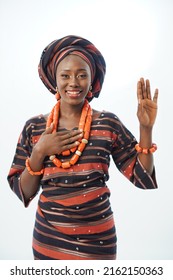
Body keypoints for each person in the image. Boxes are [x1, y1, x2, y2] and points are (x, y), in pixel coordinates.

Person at [7, 35, 158, 260]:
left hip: (98, 239)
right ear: (54, 80)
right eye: (65, 75)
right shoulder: (35, 127)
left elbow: (142, 178)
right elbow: (24, 191)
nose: (74, 82)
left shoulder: (108, 123)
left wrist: (146, 129)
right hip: (49, 238)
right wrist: (40, 151)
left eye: (81, 75)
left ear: (92, 79)